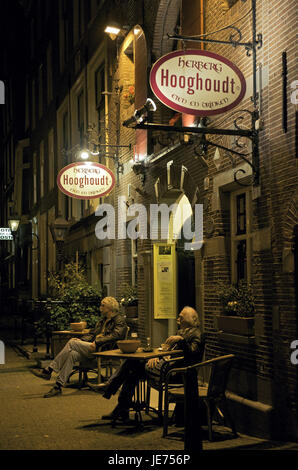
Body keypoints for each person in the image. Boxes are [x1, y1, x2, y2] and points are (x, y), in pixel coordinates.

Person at [96, 306, 204, 422]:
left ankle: (114, 393)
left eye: (182, 317)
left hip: (176, 373)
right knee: (132, 372)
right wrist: (158, 357)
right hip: (167, 366)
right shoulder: (182, 332)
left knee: (132, 363)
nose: (178, 318)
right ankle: (122, 408)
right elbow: (168, 350)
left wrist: (180, 341)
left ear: (193, 319)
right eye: (179, 316)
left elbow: (192, 353)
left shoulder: (196, 334)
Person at [32, 296, 127, 398]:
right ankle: (58, 387)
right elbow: (92, 334)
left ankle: (48, 370)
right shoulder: (102, 320)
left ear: (110, 307)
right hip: (93, 348)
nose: (100, 307)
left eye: (103, 305)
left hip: (104, 350)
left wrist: (98, 342)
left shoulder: (119, 320)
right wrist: (82, 341)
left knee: (72, 342)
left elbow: (117, 335)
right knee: (72, 354)